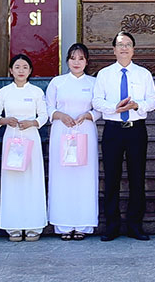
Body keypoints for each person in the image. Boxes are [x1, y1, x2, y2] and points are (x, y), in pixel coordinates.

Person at [93, 31, 155, 241]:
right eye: (120, 45)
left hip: (136, 130)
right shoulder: (104, 74)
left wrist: (137, 105)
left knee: (136, 178)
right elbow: (96, 102)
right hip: (113, 130)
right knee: (111, 179)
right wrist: (115, 108)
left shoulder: (143, 74)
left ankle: (135, 226)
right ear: (113, 49)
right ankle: (111, 226)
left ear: (133, 49)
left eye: (128, 44)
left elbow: (153, 101)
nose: (124, 48)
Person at [47, 44, 99, 240]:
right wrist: (59, 115)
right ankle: (63, 225)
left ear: (87, 61)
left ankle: (83, 225)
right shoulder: (57, 82)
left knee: (85, 176)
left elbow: (99, 108)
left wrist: (88, 115)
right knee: (62, 176)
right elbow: (48, 107)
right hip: (62, 132)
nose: (76, 62)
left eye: (81, 58)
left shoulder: (94, 83)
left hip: (85, 131)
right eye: (73, 58)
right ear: (67, 60)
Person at [0, 54, 49, 241]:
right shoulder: (4, 93)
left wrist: (33, 122)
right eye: (17, 67)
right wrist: (5, 120)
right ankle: (14, 226)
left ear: (30, 71)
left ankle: (34, 225)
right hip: (11, 139)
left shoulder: (36, 92)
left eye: (24, 67)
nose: (21, 70)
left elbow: (44, 115)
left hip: (31, 139)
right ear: (11, 70)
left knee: (32, 180)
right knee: (13, 180)